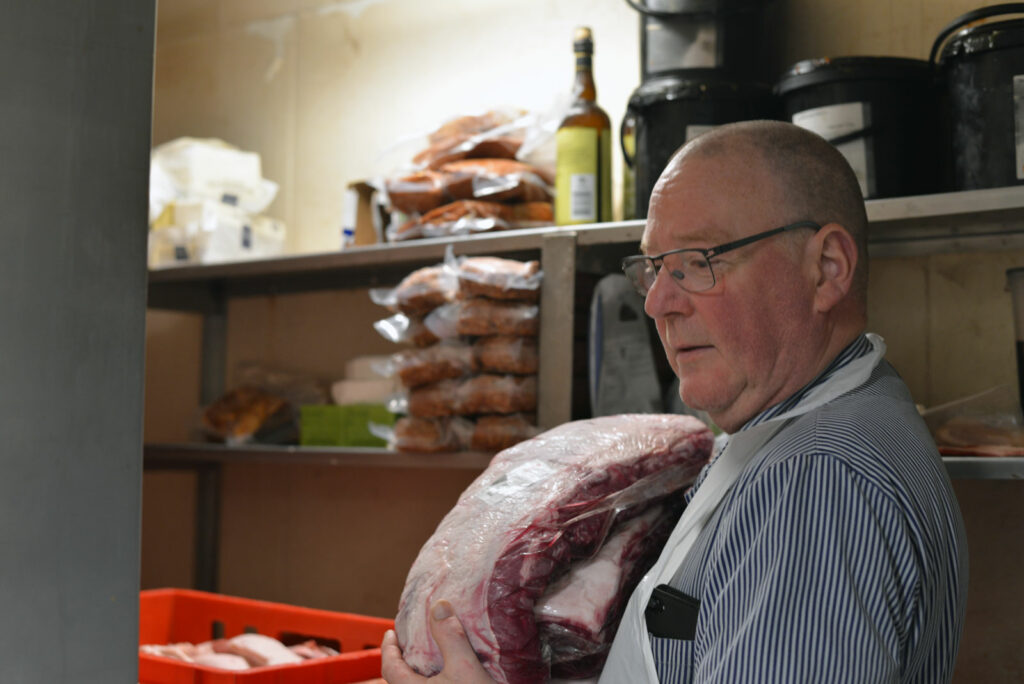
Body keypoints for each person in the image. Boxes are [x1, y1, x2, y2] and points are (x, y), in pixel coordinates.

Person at [380, 120, 969, 683]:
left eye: (698, 262)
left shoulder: (817, 480)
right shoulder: (823, 419)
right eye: (655, 267)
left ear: (827, 268)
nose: (659, 302)